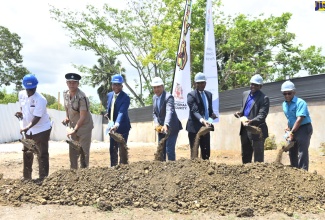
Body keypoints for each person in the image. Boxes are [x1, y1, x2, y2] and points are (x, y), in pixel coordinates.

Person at [16, 74, 52, 180]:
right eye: (28, 89)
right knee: (27, 152)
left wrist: (26, 127)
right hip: (28, 129)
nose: (30, 91)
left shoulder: (41, 99)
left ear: (36, 87)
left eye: (32, 89)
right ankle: (27, 177)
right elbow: (23, 108)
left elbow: (37, 117)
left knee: (42, 153)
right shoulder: (21, 94)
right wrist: (21, 113)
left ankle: (43, 178)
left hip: (42, 129)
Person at [234, 74, 269, 164]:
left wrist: (252, 121)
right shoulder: (245, 94)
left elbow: (262, 115)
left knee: (258, 158)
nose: (253, 86)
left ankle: (258, 176)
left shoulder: (264, 98)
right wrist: (239, 113)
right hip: (244, 129)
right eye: (252, 84)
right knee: (245, 154)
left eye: (256, 85)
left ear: (260, 86)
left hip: (256, 130)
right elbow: (244, 108)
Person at [62, 73, 94, 169]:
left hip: (84, 127)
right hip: (73, 126)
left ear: (78, 84)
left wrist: (74, 130)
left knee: (83, 152)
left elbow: (83, 117)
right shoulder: (65, 94)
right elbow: (67, 108)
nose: (72, 85)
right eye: (70, 82)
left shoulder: (82, 97)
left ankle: (84, 175)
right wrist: (67, 117)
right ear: (67, 83)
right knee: (73, 152)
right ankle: (73, 173)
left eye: (74, 83)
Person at [281, 80, 313, 171]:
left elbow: (299, 119)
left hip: (303, 128)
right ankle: (295, 172)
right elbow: (290, 118)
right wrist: (288, 127)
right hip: (293, 129)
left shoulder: (300, 102)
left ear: (294, 92)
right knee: (292, 151)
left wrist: (291, 132)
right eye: (284, 93)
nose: (287, 95)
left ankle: (303, 172)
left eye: (289, 93)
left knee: (302, 152)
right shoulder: (284, 104)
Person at [186, 72, 217, 160]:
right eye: (198, 83)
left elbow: (209, 111)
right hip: (194, 128)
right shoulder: (191, 95)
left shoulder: (209, 95)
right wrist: (203, 120)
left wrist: (210, 120)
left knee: (206, 152)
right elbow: (195, 111)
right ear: (194, 83)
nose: (200, 84)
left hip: (206, 128)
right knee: (194, 152)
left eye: (202, 82)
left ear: (205, 83)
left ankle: (206, 170)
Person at [151, 77, 183, 161]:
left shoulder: (168, 97)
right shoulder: (154, 97)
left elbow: (170, 111)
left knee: (169, 149)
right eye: (154, 87)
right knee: (161, 149)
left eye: (158, 87)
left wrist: (166, 124)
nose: (156, 89)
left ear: (162, 87)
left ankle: (172, 169)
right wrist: (156, 123)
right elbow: (154, 113)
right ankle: (162, 169)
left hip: (171, 127)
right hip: (161, 128)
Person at [106, 74, 131, 167]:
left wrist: (117, 124)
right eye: (114, 84)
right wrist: (107, 114)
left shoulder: (125, 97)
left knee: (122, 149)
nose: (116, 87)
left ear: (122, 86)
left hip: (123, 127)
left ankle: (123, 167)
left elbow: (121, 112)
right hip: (112, 128)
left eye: (118, 85)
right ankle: (113, 167)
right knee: (112, 148)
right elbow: (109, 108)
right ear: (112, 85)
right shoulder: (109, 95)